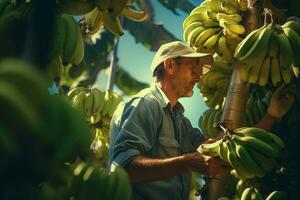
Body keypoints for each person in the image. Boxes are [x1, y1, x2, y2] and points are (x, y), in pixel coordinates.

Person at [108, 41, 295, 200]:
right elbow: (122, 168)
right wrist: (185, 163)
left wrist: (272, 114)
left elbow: (223, 152)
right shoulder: (146, 104)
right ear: (170, 66)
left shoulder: (181, 123)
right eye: (193, 69)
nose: (198, 77)